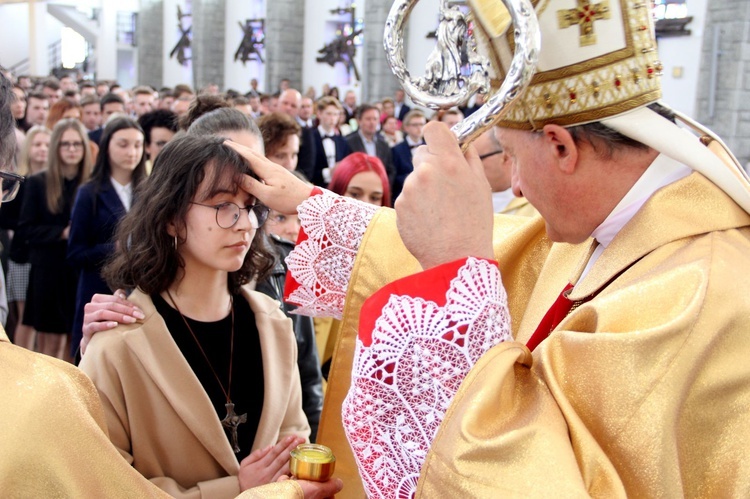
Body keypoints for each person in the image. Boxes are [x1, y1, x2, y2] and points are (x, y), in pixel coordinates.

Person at [0, 70, 340, 499]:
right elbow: (103, 484)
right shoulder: (117, 343)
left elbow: (294, 440)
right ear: (171, 217)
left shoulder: (272, 322)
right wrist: (234, 488)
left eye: (251, 206)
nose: (245, 224)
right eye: (222, 206)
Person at [67, 116, 146, 359]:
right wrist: (115, 248)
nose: (131, 152)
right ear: (107, 146)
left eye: (137, 145)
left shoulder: (149, 190)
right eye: (123, 144)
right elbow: (75, 253)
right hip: (97, 289)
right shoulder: (89, 192)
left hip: (139, 292)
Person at [19, 118, 92, 360]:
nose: (72, 150)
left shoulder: (91, 186)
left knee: (77, 346)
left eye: (77, 144)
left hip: (77, 272)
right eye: (65, 144)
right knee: (50, 347)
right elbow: (26, 229)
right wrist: (61, 233)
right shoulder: (38, 182)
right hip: (48, 270)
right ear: (56, 148)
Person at [3, 126, 51, 351]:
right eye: (37, 144)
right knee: (25, 318)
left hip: (43, 259)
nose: (43, 149)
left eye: (48, 145)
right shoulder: (16, 181)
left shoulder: (53, 183)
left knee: (41, 320)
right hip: (22, 257)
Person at [345, 104, 395, 189]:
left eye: (375, 119)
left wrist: (384, 186)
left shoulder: (384, 144)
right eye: (368, 119)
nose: (372, 123)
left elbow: (390, 170)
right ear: (359, 121)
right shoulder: (348, 142)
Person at [310, 96, 350, 187]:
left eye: (336, 114)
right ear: (319, 114)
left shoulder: (342, 141)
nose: (332, 118)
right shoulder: (310, 137)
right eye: (329, 114)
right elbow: (307, 169)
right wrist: (328, 172)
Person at [391, 109, 426, 200]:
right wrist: (413, 178)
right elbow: (394, 177)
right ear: (406, 128)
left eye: (422, 124)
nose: (419, 128)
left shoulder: (430, 147)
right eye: (415, 125)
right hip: (404, 196)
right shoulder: (396, 150)